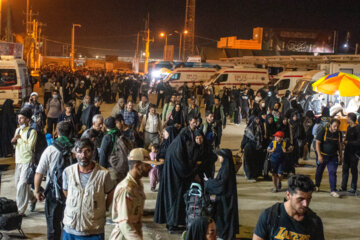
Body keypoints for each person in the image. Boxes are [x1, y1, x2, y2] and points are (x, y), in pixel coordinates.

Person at [62, 138, 115, 239]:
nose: (83, 155)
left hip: (94, 230)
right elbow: (66, 191)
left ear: (93, 152)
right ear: (75, 153)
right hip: (70, 229)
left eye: (87, 151)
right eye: (80, 151)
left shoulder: (103, 174)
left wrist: (102, 207)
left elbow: (110, 192)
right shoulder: (68, 172)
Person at [154, 117, 200, 233]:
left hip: (172, 179)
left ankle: (174, 224)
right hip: (174, 181)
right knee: (173, 202)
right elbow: (181, 166)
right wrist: (192, 171)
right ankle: (171, 226)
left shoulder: (176, 145)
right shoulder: (177, 148)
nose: (188, 143)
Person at [34, 121, 74, 240]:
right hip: (73, 192)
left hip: (54, 192)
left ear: (57, 132)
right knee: (71, 223)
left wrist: (37, 191)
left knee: (53, 224)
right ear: (71, 133)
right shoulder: (77, 148)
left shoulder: (50, 149)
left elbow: (39, 172)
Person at [253, 175, 324, 240]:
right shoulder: (269, 216)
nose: (305, 204)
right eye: (300, 199)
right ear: (288, 195)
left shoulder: (314, 222)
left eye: (308, 199)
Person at [110, 148, 160, 239]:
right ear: (137, 166)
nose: (150, 168)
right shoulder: (126, 188)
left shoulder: (138, 184)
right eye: (146, 165)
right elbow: (125, 224)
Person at [204, 149, 239, 240]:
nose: (218, 158)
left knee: (225, 218)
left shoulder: (226, 169)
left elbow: (221, 185)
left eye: (220, 156)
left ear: (224, 157)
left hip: (226, 199)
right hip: (227, 197)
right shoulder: (226, 167)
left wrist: (208, 182)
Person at [11, 108, 37, 215]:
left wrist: (20, 139)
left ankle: (19, 211)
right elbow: (15, 146)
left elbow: (30, 147)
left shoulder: (32, 132)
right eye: (18, 118)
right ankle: (33, 199)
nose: (19, 120)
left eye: (21, 118)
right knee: (19, 184)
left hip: (27, 161)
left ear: (27, 120)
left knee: (22, 185)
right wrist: (14, 141)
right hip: (18, 160)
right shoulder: (17, 130)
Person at [315, 119, 342, 198]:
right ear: (330, 125)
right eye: (334, 126)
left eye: (337, 126)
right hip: (323, 156)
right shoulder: (323, 131)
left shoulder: (339, 133)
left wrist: (341, 157)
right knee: (319, 171)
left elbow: (340, 146)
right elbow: (317, 143)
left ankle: (333, 190)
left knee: (332, 172)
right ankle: (317, 185)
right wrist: (319, 156)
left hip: (333, 157)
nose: (336, 128)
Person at [340, 112, 360, 193]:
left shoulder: (358, 128)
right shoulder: (348, 127)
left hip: (354, 153)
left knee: (354, 171)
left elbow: (359, 142)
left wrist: (348, 143)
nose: (346, 119)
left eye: (347, 117)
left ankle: (353, 187)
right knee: (345, 169)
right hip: (347, 153)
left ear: (351, 119)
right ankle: (343, 187)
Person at [241, 116, 264, 181]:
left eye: (258, 119)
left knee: (255, 162)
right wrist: (242, 147)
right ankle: (249, 175)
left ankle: (255, 175)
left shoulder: (259, 127)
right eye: (256, 119)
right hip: (249, 148)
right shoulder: (248, 129)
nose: (258, 121)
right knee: (249, 162)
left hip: (257, 148)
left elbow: (261, 138)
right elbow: (245, 139)